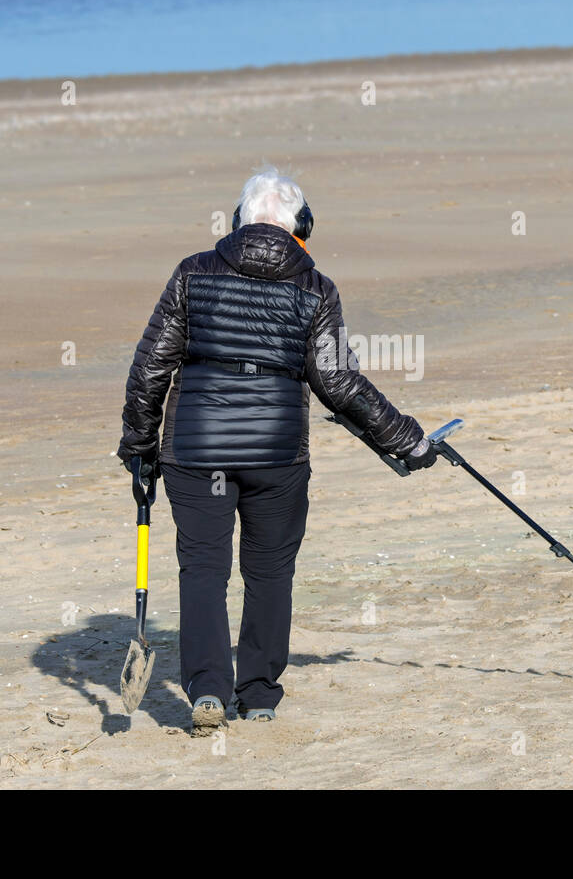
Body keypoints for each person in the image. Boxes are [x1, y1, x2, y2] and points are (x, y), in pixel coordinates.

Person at [117, 166, 436, 734]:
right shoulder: (315, 287)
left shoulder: (193, 272)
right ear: (300, 228)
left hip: (196, 452)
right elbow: (337, 383)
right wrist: (407, 438)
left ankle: (208, 690)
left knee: (203, 570)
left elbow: (150, 368)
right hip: (276, 456)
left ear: (238, 219)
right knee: (268, 572)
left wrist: (138, 446)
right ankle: (259, 693)